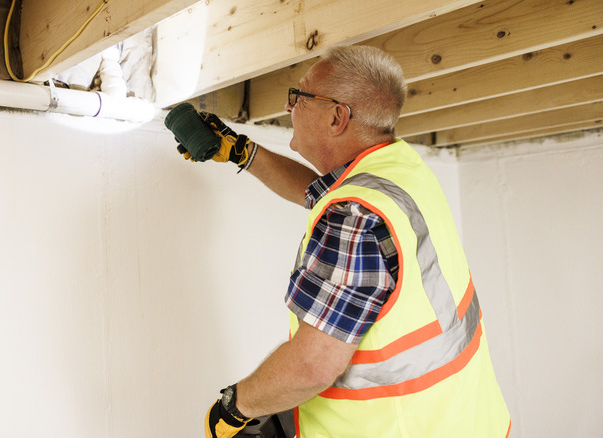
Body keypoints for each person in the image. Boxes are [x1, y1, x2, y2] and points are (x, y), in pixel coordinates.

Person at [169, 44, 511, 438]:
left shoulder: (355, 216)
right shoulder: (399, 169)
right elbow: (321, 193)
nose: (288, 107)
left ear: (336, 117)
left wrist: (233, 407)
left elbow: (312, 366)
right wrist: (243, 153)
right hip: (466, 418)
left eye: (298, 96)